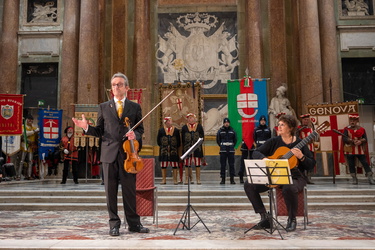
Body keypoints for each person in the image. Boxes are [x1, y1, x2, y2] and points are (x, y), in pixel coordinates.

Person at [72, 72, 149, 236]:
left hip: (129, 156)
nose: (116, 87)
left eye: (120, 84)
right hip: (109, 155)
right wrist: (86, 128)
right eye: (114, 85)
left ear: (127, 88)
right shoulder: (103, 107)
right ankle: (114, 224)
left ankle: (134, 224)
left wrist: (136, 135)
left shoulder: (134, 107)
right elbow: (99, 131)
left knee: (129, 191)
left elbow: (140, 129)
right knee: (110, 192)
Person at [244, 114, 315, 232]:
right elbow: (255, 153)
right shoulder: (274, 141)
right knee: (249, 184)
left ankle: (292, 219)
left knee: (289, 188)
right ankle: (264, 217)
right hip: (274, 175)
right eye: (279, 125)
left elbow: (311, 164)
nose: (279, 127)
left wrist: (302, 157)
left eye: (282, 125)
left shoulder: (300, 143)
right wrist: (264, 159)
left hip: (295, 177)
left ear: (291, 128)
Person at [342, 114, 375, 185]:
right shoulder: (346, 129)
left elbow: (365, 139)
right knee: (351, 164)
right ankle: (354, 178)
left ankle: (370, 178)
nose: (352, 122)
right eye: (351, 120)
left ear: (357, 121)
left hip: (360, 150)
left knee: (365, 163)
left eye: (354, 120)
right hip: (350, 150)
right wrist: (351, 141)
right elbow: (344, 138)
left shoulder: (362, 129)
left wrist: (360, 141)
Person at [181, 113, 204, 185]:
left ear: (194, 118)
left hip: (197, 149)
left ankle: (198, 179)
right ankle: (187, 178)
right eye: (189, 118)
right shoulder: (184, 127)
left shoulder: (199, 127)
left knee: (197, 164)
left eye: (191, 118)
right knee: (187, 163)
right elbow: (182, 139)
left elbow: (202, 137)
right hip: (187, 148)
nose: (190, 119)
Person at [157, 117, 181, 185]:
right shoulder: (161, 130)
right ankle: (163, 179)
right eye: (167, 121)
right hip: (164, 151)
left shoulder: (176, 130)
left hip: (173, 151)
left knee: (174, 165)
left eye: (169, 121)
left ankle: (175, 180)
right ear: (165, 122)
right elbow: (158, 141)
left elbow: (178, 142)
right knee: (163, 165)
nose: (168, 122)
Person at [297, 114, 317, 184]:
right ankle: (302, 177)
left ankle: (309, 177)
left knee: (310, 162)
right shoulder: (298, 128)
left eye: (307, 120)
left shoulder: (311, 128)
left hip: (310, 148)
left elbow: (315, 137)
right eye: (304, 120)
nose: (306, 121)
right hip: (302, 149)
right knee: (302, 163)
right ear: (302, 120)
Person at [216, 117, 237, 184]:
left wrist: (232, 146)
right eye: (225, 123)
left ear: (229, 123)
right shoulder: (220, 131)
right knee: (223, 165)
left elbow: (235, 140)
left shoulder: (232, 131)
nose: (226, 124)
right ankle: (223, 179)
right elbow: (218, 140)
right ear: (223, 123)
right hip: (223, 150)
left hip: (231, 150)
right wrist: (222, 146)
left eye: (227, 123)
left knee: (231, 165)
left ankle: (232, 179)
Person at [19, 114, 39, 180]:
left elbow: (37, 135)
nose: (30, 121)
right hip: (24, 145)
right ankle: (18, 175)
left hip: (31, 146)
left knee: (30, 161)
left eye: (31, 120)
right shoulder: (23, 126)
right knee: (21, 161)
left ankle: (29, 175)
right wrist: (33, 132)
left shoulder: (34, 127)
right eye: (29, 119)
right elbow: (24, 134)